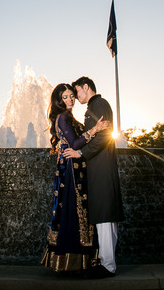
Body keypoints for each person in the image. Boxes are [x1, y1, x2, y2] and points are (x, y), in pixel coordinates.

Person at [41, 83, 109, 273]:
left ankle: (82, 261)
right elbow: (75, 142)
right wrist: (95, 129)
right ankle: (73, 261)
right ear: (58, 100)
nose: (70, 100)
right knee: (74, 210)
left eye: (72, 95)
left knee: (78, 210)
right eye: (65, 97)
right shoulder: (63, 117)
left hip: (75, 167)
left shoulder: (68, 116)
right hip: (71, 169)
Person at [63, 76, 124, 278]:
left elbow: (105, 137)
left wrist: (81, 153)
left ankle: (107, 265)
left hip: (101, 167)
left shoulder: (98, 104)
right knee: (106, 215)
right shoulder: (98, 104)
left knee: (104, 215)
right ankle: (108, 261)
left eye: (77, 91)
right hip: (102, 166)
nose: (76, 96)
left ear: (86, 87)